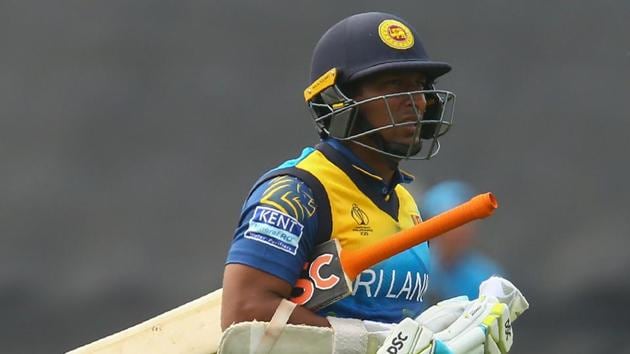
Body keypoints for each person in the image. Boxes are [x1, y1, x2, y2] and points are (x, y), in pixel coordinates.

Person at [220, 12, 527, 354]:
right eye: (393, 86)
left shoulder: (404, 200)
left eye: (420, 85)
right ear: (338, 101)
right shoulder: (297, 193)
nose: (416, 102)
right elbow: (244, 314)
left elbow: (397, 324)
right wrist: (369, 344)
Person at [420, 180, 504, 302]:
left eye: (466, 223)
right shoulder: (414, 268)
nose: (459, 231)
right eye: (451, 223)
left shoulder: (487, 278)